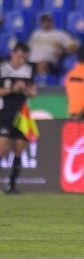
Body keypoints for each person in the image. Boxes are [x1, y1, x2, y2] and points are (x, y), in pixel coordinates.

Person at [0, 43, 36, 193]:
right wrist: (12, 89)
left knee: (19, 148)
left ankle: (12, 185)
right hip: (6, 111)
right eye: (19, 55)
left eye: (24, 57)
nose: (21, 59)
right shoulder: (3, 68)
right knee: (2, 148)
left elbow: (33, 92)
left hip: (22, 114)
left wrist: (25, 90)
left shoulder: (29, 70)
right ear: (13, 53)